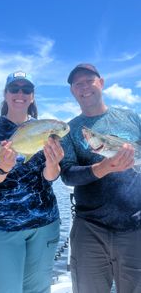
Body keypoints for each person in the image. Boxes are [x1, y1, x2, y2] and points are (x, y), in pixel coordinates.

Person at [0, 71, 64, 293]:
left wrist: (54, 164)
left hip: (45, 222)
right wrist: (3, 167)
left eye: (26, 90)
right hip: (2, 226)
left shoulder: (45, 128)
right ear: (5, 95)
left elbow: (49, 177)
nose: (20, 94)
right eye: (14, 89)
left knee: (39, 290)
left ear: (32, 96)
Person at [60, 63, 141, 293]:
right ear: (73, 91)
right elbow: (67, 175)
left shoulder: (131, 118)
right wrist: (103, 168)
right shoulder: (70, 129)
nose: (84, 87)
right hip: (89, 229)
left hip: (135, 227)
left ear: (101, 83)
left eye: (89, 81)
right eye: (78, 84)